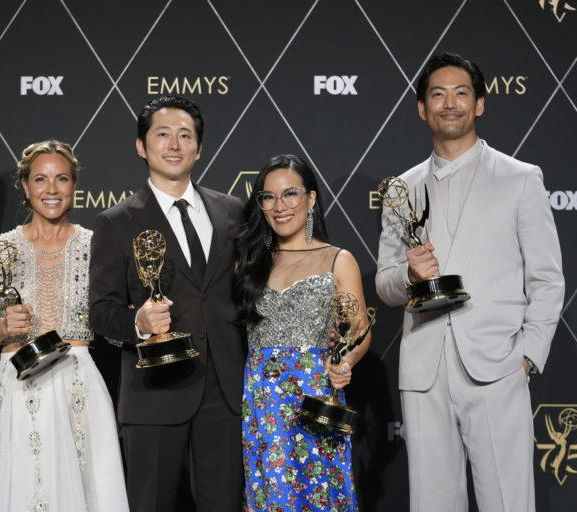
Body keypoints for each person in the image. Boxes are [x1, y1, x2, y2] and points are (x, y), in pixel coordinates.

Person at [375, 52, 564, 511]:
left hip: (498, 366)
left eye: (461, 93)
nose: (449, 103)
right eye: (437, 94)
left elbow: (547, 279)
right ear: (422, 108)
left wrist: (526, 356)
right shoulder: (401, 189)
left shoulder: (520, 179)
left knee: (507, 501)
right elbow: (384, 284)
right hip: (425, 370)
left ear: (479, 103)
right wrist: (408, 274)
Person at [0, 140, 128, 511]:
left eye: (61, 178)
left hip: (78, 388)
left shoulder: (97, 247)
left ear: (74, 185)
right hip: (17, 386)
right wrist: (4, 326)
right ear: (25, 186)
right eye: (40, 179)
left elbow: (112, 325)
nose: (52, 189)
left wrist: (133, 316)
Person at [89, 95, 245, 511]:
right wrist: (138, 323)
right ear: (142, 146)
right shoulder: (116, 222)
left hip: (224, 391)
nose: (174, 144)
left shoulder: (232, 211)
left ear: (199, 148)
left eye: (185, 135)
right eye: (162, 134)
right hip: (154, 392)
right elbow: (101, 312)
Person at [235, 154, 369, 511]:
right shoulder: (249, 262)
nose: (279, 206)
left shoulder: (338, 259)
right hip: (263, 404)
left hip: (315, 399)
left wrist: (346, 362)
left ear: (310, 199)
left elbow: (359, 331)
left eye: (290, 194)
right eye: (268, 197)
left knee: (319, 495)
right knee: (270, 495)